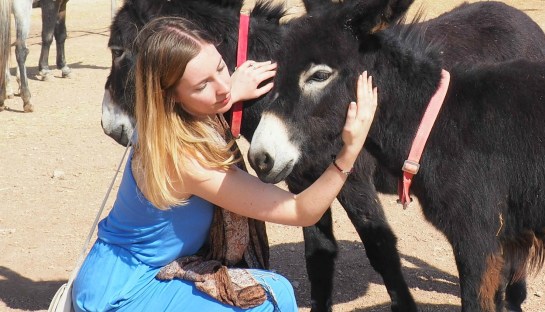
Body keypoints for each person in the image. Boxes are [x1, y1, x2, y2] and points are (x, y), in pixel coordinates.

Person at [71, 17, 378, 312]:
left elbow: (204, 96)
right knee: (273, 295)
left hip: (112, 272)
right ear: (172, 98)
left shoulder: (157, 125)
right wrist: (349, 151)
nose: (222, 86)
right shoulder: (185, 161)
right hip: (123, 294)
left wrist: (228, 93)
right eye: (203, 85)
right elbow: (301, 211)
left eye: (220, 66)